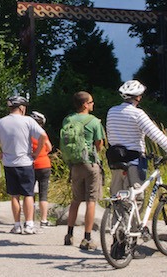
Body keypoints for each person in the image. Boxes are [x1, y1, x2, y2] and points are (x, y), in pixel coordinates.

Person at [106, 80, 167, 196]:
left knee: (117, 198)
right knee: (136, 199)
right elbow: (157, 136)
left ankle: (115, 214)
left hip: (115, 161)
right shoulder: (137, 114)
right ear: (137, 97)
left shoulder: (111, 111)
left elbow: (110, 136)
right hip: (133, 162)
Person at [0, 95, 47, 235]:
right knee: (28, 194)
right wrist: (37, 152)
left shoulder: (1, 122)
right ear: (21, 108)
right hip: (26, 162)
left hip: (9, 163)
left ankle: (16, 225)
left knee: (14, 195)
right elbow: (43, 136)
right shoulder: (27, 121)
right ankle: (29, 224)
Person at [62, 91, 105, 250]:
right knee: (91, 201)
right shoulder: (94, 122)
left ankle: (69, 234)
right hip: (90, 163)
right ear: (85, 104)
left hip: (74, 164)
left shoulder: (68, 119)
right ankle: (87, 238)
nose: (93, 104)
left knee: (75, 200)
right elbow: (99, 144)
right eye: (91, 102)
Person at [29, 111, 53, 228]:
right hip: (44, 164)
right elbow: (49, 147)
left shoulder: (27, 133)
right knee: (43, 194)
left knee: (30, 194)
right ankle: (43, 220)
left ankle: (30, 220)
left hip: (30, 164)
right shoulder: (42, 133)